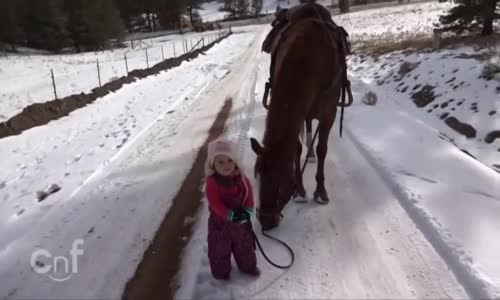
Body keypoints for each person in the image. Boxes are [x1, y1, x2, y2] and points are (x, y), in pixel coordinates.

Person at [204, 138, 260, 280]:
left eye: (229, 160)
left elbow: (249, 194)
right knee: (219, 250)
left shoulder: (241, 178)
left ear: (235, 161)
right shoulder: (212, 182)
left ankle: (248, 267)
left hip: (241, 223)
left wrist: (247, 210)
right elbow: (215, 202)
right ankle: (221, 273)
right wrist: (230, 215)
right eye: (220, 162)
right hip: (220, 225)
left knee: (245, 248)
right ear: (213, 164)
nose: (226, 165)